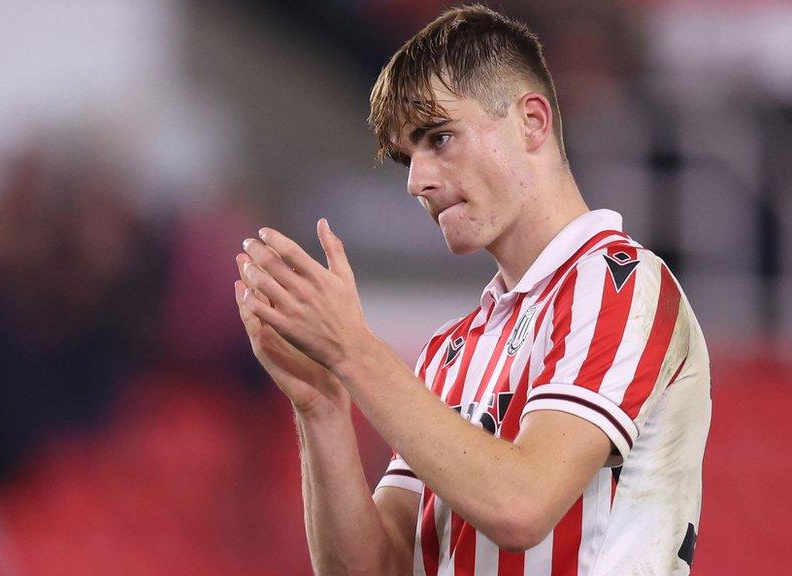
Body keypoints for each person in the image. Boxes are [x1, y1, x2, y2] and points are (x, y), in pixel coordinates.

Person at [234, 4, 711, 575]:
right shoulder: (449, 350)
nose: (417, 181)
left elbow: (521, 505)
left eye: (439, 138)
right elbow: (376, 569)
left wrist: (353, 350)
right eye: (407, 155)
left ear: (532, 122)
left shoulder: (622, 283)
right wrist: (322, 404)